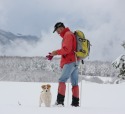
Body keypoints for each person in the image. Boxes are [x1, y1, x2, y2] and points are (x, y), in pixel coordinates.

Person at [46, 22, 80, 107]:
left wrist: (56, 52)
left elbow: (67, 49)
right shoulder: (70, 34)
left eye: (57, 31)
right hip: (75, 61)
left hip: (69, 61)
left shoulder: (67, 35)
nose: (57, 33)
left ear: (60, 28)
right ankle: (75, 103)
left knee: (62, 80)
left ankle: (60, 102)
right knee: (74, 83)